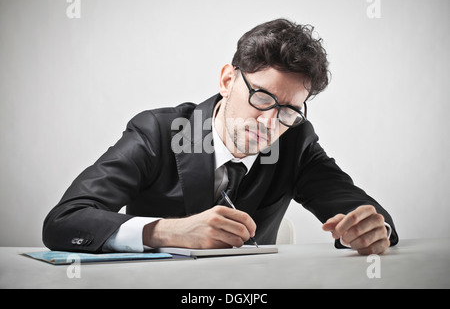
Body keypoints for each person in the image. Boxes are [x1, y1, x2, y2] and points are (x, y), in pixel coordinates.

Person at [42, 18, 398, 255]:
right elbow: (64, 221)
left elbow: (367, 214)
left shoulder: (295, 140)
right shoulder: (158, 132)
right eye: (261, 97)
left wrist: (369, 227)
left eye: (288, 109)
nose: (270, 121)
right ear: (228, 81)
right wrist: (165, 232)